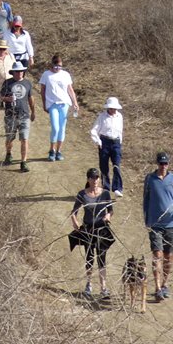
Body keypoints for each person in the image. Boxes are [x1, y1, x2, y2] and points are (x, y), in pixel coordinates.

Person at [70, 168, 114, 300]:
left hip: (102, 229)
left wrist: (108, 215)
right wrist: (75, 223)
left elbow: (111, 210)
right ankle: (88, 284)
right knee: (89, 258)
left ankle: (103, 288)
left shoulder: (105, 194)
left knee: (102, 258)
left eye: (97, 177)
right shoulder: (82, 194)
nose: (95, 180)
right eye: (92, 178)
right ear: (88, 179)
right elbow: (73, 212)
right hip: (89, 230)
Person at [143, 151, 173, 302]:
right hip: (155, 223)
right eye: (161, 163)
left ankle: (165, 284)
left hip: (171, 225)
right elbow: (146, 200)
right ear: (157, 164)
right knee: (158, 255)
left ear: (169, 164)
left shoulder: (172, 179)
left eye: (165, 163)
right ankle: (157, 287)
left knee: (169, 257)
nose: (163, 166)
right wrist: (146, 219)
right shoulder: (150, 179)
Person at [39, 54, 79, 161]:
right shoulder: (46, 75)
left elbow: (70, 89)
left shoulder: (65, 75)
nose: (58, 68)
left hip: (64, 103)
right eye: (56, 66)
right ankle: (52, 149)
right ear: (52, 65)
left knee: (62, 128)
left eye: (60, 66)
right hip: (52, 104)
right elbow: (42, 90)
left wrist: (75, 102)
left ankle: (59, 151)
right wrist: (44, 104)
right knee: (55, 128)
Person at [0, 61, 35, 171]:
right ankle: (8, 154)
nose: (20, 73)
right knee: (10, 138)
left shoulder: (28, 83)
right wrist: (7, 99)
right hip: (11, 115)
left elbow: (31, 98)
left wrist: (33, 111)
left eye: (21, 71)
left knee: (24, 139)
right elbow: (0, 97)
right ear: (13, 72)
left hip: (24, 115)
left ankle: (23, 161)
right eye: (17, 71)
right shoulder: (7, 83)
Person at [90, 97, 124, 197]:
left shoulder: (119, 116)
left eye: (114, 108)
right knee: (104, 167)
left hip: (116, 143)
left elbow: (120, 130)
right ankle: (106, 188)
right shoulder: (102, 117)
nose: (113, 110)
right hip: (104, 142)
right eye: (111, 108)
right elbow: (94, 130)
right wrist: (98, 141)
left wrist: (119, 142)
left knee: (116, 165)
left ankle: (117, 188)